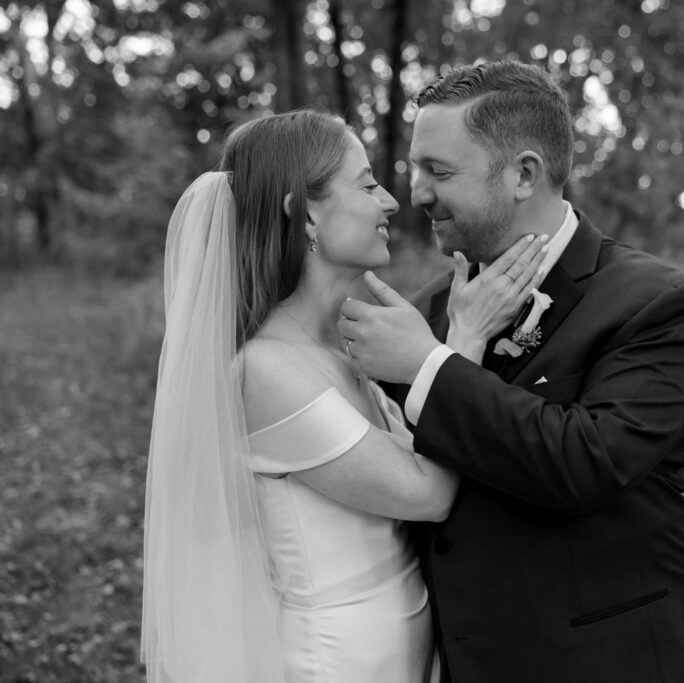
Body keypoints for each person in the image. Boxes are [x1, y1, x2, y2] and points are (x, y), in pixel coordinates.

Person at [338, 61, 684, 682]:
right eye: (416, 168)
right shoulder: (423, 314)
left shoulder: (654, 302)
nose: (415, 193)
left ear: (524, 174)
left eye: (438, 171)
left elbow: (587, 463)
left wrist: (429, 368)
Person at [141, 109, 546, 683]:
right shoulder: (266, 371)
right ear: (305, 211)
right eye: (365, 183)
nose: (390, 202)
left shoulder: (348, 347)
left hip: (407, 641)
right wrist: (466, 339)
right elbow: (427, 494)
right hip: (341, 658)